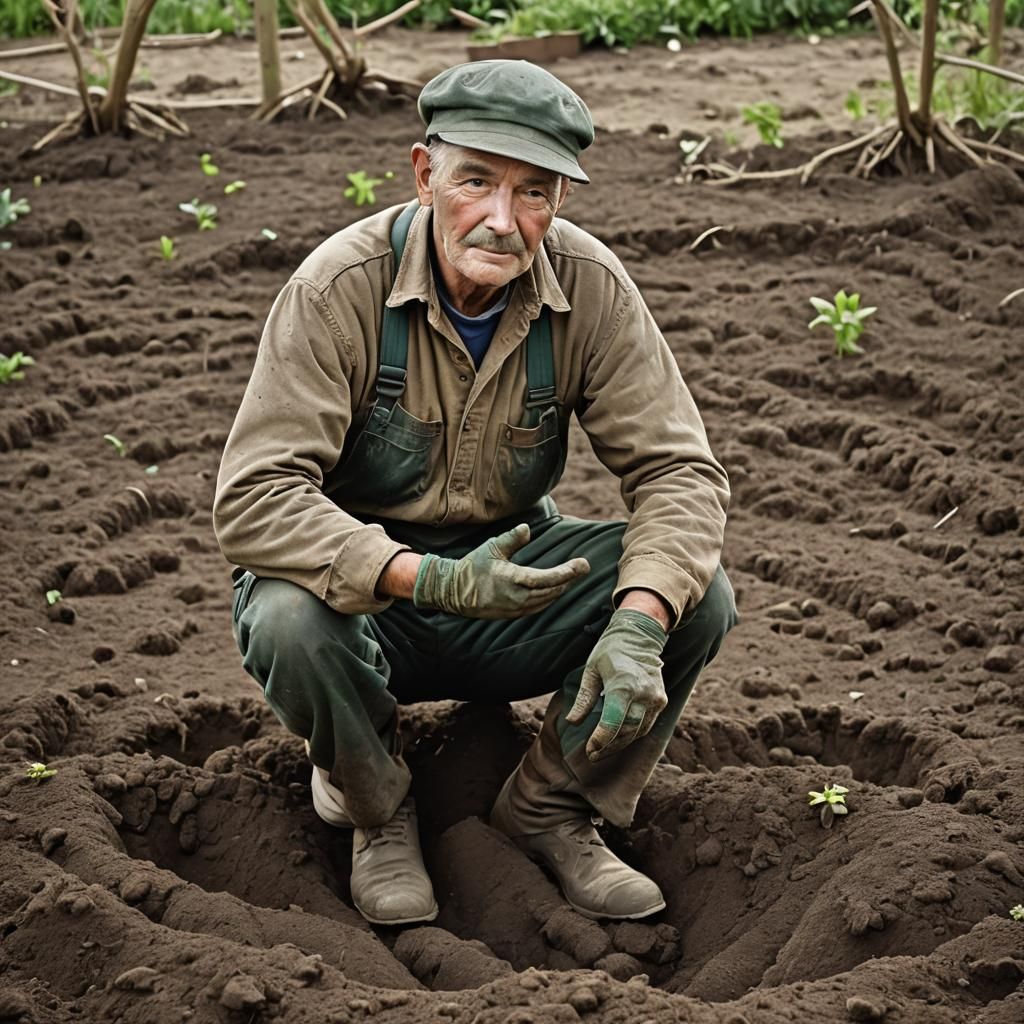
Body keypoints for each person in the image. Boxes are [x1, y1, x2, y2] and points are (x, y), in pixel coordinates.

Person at [214, 59, 736, 927]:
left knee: (696, 596)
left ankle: (551, 804)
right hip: (372, 605)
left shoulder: (590, 288)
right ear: (425, 174)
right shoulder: (338, 290)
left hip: (511, 589)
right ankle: (376, 806)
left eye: (534, 193)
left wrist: (640, 624)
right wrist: (431, 577)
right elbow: (255, 496)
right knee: (286, 618)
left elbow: (679, 472)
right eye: (476, 182)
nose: (502, 219)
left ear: (559, 200)